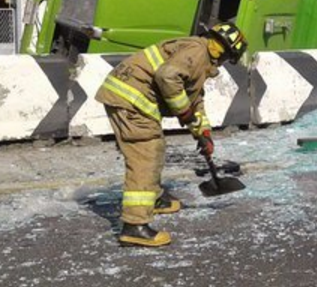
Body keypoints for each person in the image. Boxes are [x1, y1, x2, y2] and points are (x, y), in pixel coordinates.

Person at [95, 22, 247, 247]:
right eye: (226, 57)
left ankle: (153, 198)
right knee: (145, 156)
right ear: (222, 52)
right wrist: (184, 112)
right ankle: (134, 226)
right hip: (130, 100)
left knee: (154, 148)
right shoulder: (197, 53)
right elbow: (167, 77)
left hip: (130, 97)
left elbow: (194, 97)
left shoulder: (198, 53)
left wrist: (203, 132)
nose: (222, 63)